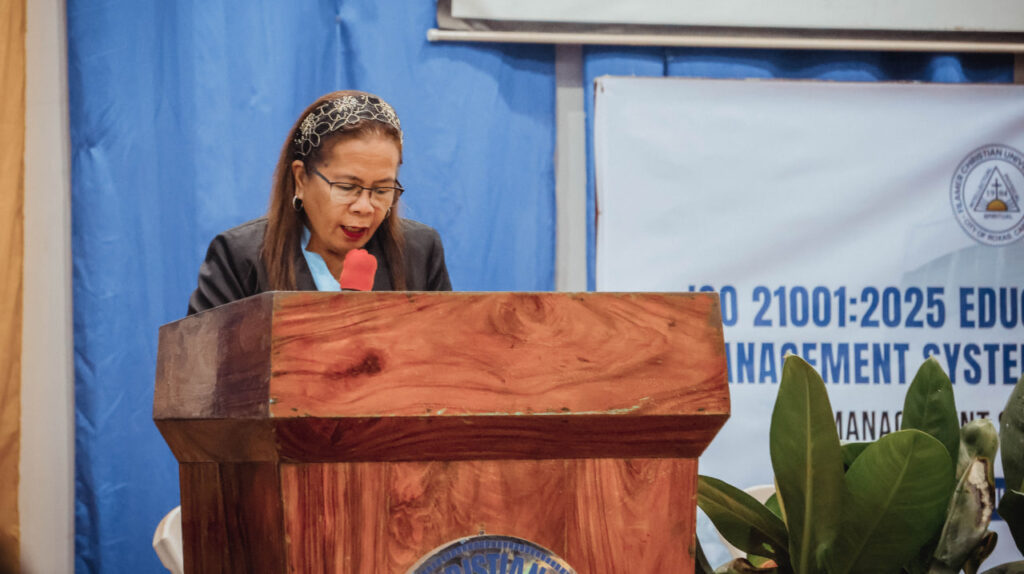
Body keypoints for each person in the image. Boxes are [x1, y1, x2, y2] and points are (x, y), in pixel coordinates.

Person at [187, 90, 452, 315]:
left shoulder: (420, 251)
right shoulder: (240, 257)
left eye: (382, 190)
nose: (364, 207)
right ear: (301, 179)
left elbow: (448, 354)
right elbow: (201, 359)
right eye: (347, 187)